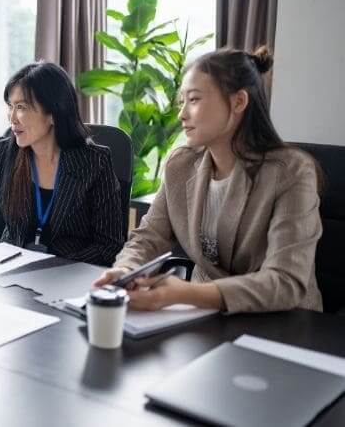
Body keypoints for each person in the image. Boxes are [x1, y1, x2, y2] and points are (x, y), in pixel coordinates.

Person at [94, 46, 323, 313]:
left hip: (285, 324)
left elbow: (285, 282)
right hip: (206, 319)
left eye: (193, 100)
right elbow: (149, 236)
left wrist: (188, 293)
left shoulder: (292, 171)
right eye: (183, 101)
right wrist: (125, 270)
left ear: (238, 102)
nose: (181, 114)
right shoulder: (180, 164)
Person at [0, 61, 123, 265]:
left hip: (66, 280)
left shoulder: (95, 163)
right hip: (8, 273)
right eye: (11, 106)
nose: (12, 118)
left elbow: (109, 246)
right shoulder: (2, 152)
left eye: (21, 107)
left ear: (53, 113)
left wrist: (56, 267)